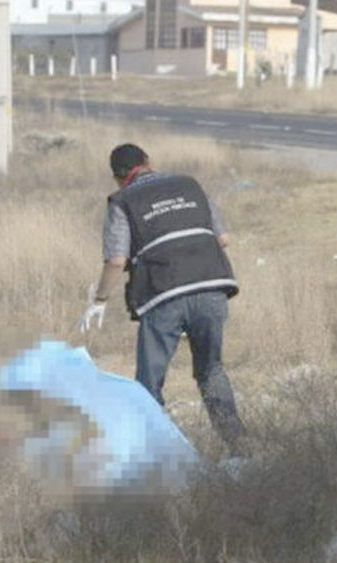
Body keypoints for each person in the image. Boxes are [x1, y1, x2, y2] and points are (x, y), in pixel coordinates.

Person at [79, 143, 247, 456]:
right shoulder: (189, 185)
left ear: (117, 178)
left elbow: (116, 260)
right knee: (211, 370)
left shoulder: (122, 201)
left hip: (163, 293)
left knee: (148, 385)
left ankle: (164, 461)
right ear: (149, 162)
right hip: (213, 285)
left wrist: (99, 299)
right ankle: (239, 448)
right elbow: (223, 238)